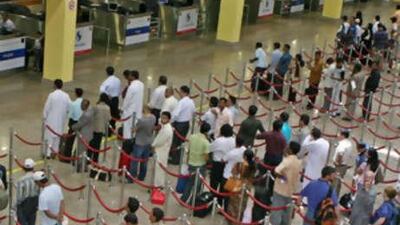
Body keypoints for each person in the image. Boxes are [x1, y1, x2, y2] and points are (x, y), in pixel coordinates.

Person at [270, 142, 302, 225]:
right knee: (286, 215)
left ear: (290, 150)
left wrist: (282, 177)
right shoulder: (298, 162)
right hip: (290, 191)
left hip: (280, 190)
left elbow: (276, 171)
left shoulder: (287, 160)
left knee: (276, 214)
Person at [256, 120, 287, 206]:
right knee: (275, 174)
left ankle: (264, 188)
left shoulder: (268, 134)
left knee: (266, 172)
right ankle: (271, 191)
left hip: (268, 156)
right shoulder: (282, 138)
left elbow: (258, 136)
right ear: (280, 128)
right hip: (278, 158)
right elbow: (285, 150)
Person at [181, 123, 210, 202]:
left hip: (191, 163)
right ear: (207, 132)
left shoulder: (192, 137)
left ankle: (183, 199)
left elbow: (189, 150)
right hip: (200, 165)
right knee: (198, 185)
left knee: (189, 183)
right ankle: (192, 201)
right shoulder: (206, 142)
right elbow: (206, 157)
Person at [43, 79, 71, 158]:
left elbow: (47, 108)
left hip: (51, 120)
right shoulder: (66, 96)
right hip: (61, 121)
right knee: (57, 137)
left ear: (55, 85)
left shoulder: (51, 95)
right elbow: (70, 107)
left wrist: (44, 117)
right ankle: (54, 153)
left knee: (49, 138)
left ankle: (47, 154)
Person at [226, 149, 256, 222]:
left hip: (238, 185)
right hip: (247, 186)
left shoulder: (239, 164)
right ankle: (239, 218)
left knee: (234, 203)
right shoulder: (253, 165)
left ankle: (232, 220)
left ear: (245, 157)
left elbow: (233, 173)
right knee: (243, 204)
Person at [169, 85, 195, 165]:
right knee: (181, 142)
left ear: (184, 92)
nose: (179, 93)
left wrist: (170, 121)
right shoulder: (191, 101)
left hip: (179, 124)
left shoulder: (181, 102)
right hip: (186, 124)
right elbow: (193, 111)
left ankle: (175, 160)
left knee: (175, 142)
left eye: (180, 92)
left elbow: (175, 114)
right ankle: (179, 158)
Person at [130, 106, 155, 181]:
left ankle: (132, 177)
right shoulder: (153, 118)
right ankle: (142, 176)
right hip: (148, 141)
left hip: (139, 142)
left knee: (135, 161)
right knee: (144, 161)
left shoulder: (141, 120)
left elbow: (135, 129)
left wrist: (132, 129)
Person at [209, 124, 235, 191]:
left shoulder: (219, 140)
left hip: (217, 164)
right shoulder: (234, 141)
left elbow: (210, 148)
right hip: (228, 165)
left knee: (214, 185)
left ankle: (213, 198)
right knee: (223, 185)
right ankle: (220, 200)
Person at [72, 99, 94, 173]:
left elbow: (80, 124)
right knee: (84, 151)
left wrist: (73, 127)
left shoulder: (86, 115)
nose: (81, 107)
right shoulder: (91, 110)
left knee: (81, 151)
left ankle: (81, 166)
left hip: (84, 135)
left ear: (85, 106)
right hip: (89, 134)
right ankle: (83, 165)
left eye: (82, 105)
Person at [152, 111, 173, 188]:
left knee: (159, 169)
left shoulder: (167, 129)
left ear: (169, 119)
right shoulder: (164, 127)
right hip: (160, 151)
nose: (163, 119)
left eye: (165, 118)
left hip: (161, 151)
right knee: (159, 169)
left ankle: (157, 185)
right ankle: (158, 184)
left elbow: (160, 141)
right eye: (162, 117)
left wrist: (153, 145)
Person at [15, 159, 39, 225]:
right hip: (34, 204)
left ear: (24, 168)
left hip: (24, 205)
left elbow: (19, 198)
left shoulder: (21, 180)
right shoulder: (37, 178)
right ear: (33, 167)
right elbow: (39, 192)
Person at [122, 70, 144, 140]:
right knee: (135, 128)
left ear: (133, 77)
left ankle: (127, 144)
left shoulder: (132, 86)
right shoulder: (142, 84)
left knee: (128, 130)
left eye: (130, 75)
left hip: (130, 112)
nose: (128, 77)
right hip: (138, 110)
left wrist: (122, 109)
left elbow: (127, 100)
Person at [62, 88, 83, 163]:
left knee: (70, 141)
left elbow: (70, 115)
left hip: (74, 123)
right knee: (81, 141)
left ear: (76, 94)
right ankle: (78, 157)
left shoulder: (73, 104)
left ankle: (67, 158)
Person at [89, 93, 111, 162]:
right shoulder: (107, 108)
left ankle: (88, 158)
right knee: (97, 145)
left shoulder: (96, 107)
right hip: (101, 129)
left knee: (91, 145)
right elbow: (109, 118)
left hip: (94, 128)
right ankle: (95, 160)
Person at [332, 129, 354, 195]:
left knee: (335, 184)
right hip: (344, 166)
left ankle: (332, 198)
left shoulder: (342, 144)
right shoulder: (349, 143)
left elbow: (340, 154)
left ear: (343, 135)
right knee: (338, 183)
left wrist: (337, 162)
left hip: (339, 167)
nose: (338, 135)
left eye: (340, 134)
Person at [99, 66, 121, 131]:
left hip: (109, 100)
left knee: (108, 115)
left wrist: (108, 94)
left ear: (107, 73)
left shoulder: (106, 81)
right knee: (114, 114)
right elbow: (119, 90)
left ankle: (108, 131)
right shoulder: (118, 80)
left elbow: (102, 90)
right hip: (116, 99)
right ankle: (113, 128)